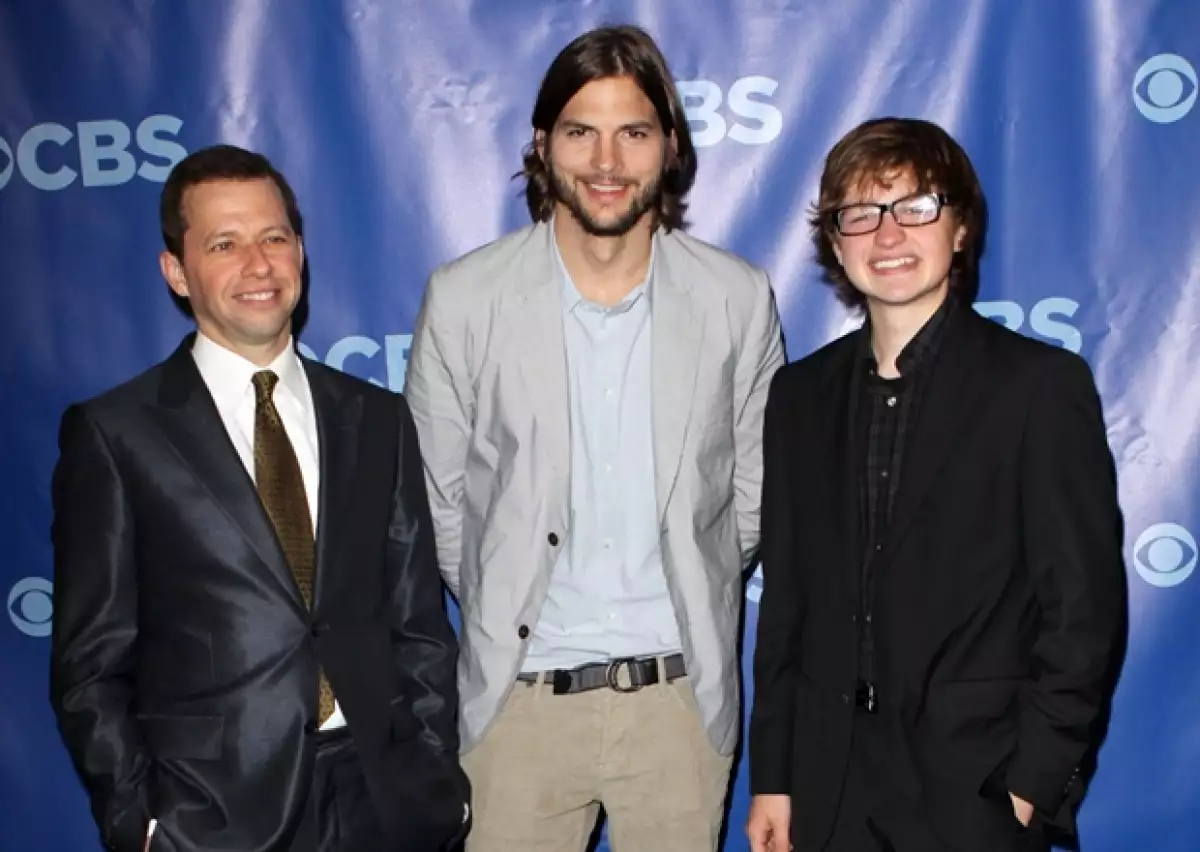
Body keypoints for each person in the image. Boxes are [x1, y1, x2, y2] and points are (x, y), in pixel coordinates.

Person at [405, 23, 785, 852]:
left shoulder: (737, 299)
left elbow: (753, 496)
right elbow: (440, 503)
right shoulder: (465, 299)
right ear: (542, 146)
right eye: (581, 131)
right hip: (517, 709)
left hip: (679, 709)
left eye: (633, 132)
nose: (606, 161)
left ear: (669, 148)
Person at [49, 144, 468, 852]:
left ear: (300, 251)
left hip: (384, 800)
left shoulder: (377, 418)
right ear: (176, 271)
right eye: (225, 243)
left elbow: (418, 623)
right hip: (210, 815)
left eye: (274, 237)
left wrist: (434, 777)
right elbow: (89, 664)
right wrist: (140, 823)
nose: (258, 264)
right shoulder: (117, 434)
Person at [746, 117, 1127, 852]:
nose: (887, 235)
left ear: (960, 230)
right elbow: (788, 605)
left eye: (916, 207)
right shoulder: (799, 396)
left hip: (973, 791)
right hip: (827, 793)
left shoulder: (1038, 388)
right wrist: (776, 776)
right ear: (834, 242)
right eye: (860, 213)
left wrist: (1027, 789)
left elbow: (1081, 612)